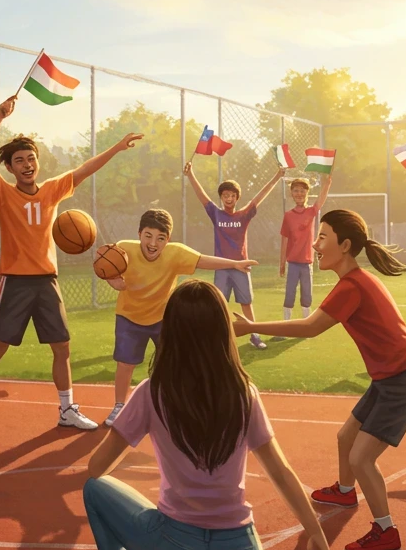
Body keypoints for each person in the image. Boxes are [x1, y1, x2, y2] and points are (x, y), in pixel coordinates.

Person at [80, 279, 331, 550]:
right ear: (222, 332)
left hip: (172, 546)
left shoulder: (151, 391)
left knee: (96, 491)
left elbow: (96, 470)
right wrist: (314, 528)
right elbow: (281, 472)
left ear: (170, 332)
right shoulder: (242, 392)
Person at [233, 209, 406, 550]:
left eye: (323, 237)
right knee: (345, 438)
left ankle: (386, 530)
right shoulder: (354, 282)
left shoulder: (352, 286)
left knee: (362, 458)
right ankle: (345, 490)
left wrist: (250, 327)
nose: (316, 244)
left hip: (403, 381)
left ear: (346, 245)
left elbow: (309, 327)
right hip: (391, 377)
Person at [0, 94, 143, 441]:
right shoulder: (1, 191)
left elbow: (85, 169)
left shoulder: (53, 190)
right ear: (10, 168)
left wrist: (116, 148)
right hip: (14, 281)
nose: (27, 164)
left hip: (46, 281)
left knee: (62, 347)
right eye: (18, 160)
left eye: (31, 158)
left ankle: (66, 409)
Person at [101, 209, 257, 425]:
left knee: (172, 363)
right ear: (139, 234)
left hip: (163, 318)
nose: (153, 242)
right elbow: (105, 266)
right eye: (148, 235)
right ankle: (119, 407)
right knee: (125, 364)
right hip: (129, 317)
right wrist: (112, 279)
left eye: (160, 238)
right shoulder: (124, 249)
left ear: (168, 240)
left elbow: (203, 260)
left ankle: (174, 405)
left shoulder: (175, 253)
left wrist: (234, 264)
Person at [183, 162, 287, 349]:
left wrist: (277, 176)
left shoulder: (243, 215)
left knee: (246, 303)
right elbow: (202, 196)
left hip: (241, 267)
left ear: (237, 198)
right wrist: (190, 174)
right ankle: (216, 338)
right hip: (222, 267)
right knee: (218, 304)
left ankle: (254, 335)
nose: (228, 198)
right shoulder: (216, 213)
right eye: (225, 195)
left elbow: (260, 196)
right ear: (221, 198)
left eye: (232, 195)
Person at [276, 173, 334, 340]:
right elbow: (284, 240)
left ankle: (304, 327)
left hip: (307, 262)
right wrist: (281, 263)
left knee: (306, 294)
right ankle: (285, 327)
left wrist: (327, 184)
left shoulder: (311, 212)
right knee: (289, 294)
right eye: (295, 191)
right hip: (292, 262)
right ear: (291, 193)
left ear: (307, 193)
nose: (299, 194)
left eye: (302, 191)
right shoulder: (288, 216)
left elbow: (320, 201)